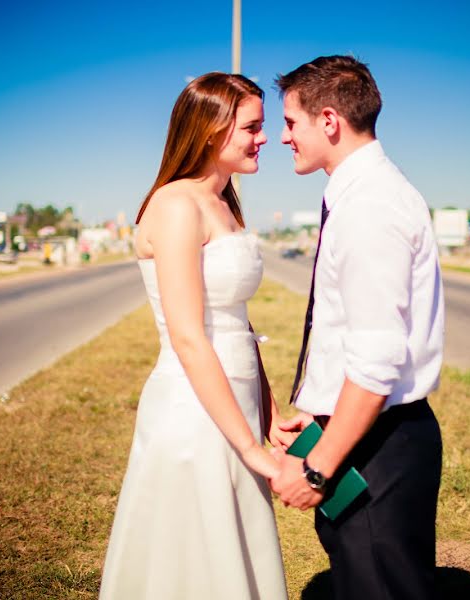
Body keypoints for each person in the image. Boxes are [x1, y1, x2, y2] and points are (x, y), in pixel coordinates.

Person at [99, 72, 292, 600]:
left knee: (232, 547)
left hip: (238, 400)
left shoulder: (225, 204)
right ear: (211, 130)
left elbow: (238, 321)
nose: (265, 139)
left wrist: (268, 409)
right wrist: (250, 447)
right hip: (195, 407)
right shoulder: (176, 205)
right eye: (253, 127)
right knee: (192, 556)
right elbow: (188, 337)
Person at [270, 56, 445, 600]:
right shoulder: (359, 194)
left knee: (378, 584)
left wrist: (318, 469)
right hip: (365, 431)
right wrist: (319, 409)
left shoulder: (370, 206)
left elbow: (376, 358)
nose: (281, 137)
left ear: (328, 121)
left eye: (290, 122)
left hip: (377, 445)